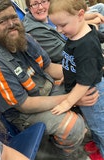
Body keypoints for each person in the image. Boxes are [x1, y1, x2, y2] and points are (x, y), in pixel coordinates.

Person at [0, 0, 99, 159]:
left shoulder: (25, 38)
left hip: (46, 89)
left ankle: (88, 137)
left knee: (90, 88)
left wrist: (78, 75)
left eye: (14, 17)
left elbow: (49, 68)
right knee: (73, 126)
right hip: (22, 112)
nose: (11, 24)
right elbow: (24, 105)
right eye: (2, 21)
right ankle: (70, 154)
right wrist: (72, 99)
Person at [49, 0, 104, 159]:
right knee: (94, 124)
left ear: (80, 15)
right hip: (82, 90)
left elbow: (84, 83)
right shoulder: (76, 32)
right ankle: (97, 141)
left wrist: (67, 102)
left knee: (100, 126)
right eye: (56, 26)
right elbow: (73, 64)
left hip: (91, 93)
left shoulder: (85, 46)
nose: (59, 30)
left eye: (63, 25)